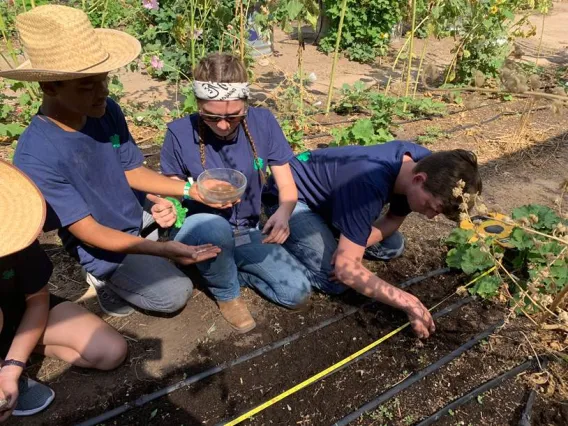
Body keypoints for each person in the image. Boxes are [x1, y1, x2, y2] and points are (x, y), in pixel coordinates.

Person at [4, 5, 221, 318]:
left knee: (202, 226)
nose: (102, 92)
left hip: (133, 213)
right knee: (175, 294)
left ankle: (149, 240)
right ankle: (101, 276)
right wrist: (160, 249)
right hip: (101, 242)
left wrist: (192, 190)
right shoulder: (36, 155)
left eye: (104, 80)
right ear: (50, 87)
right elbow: (90, 230)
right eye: (87, 85)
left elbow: (130, 169)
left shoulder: (105, 112)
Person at [153, 53, 311, 333]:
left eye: (233, 116)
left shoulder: (263, 123)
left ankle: (219, 269)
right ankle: (226, 293)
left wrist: (284, 214)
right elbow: (173, 191)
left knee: (296, 294)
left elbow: (287, 187)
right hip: (201, 228)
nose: (223, 125)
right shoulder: (179, 133)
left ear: (246, 105)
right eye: (212, 117)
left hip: (246, 229)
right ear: (199, 105)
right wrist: (168, 206)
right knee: (214, 228)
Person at [264, 141, 482, 338]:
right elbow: (345, 271)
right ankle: (270, 239)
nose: (430, 216)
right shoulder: (368, 183)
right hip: (292, 199)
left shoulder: (424, 164)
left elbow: (393, 219)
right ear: (418, 179)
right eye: (431, 207)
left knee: (392, 246)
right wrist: (408, 302)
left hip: (336, 200)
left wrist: (350, 249)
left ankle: (336, 234)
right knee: (334, 281)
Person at [0, 160, 127, 421]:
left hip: (18, 309)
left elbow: (37, 298)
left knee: (110, 351)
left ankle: (11, 355)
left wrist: (13, 366)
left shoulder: (14, 235)